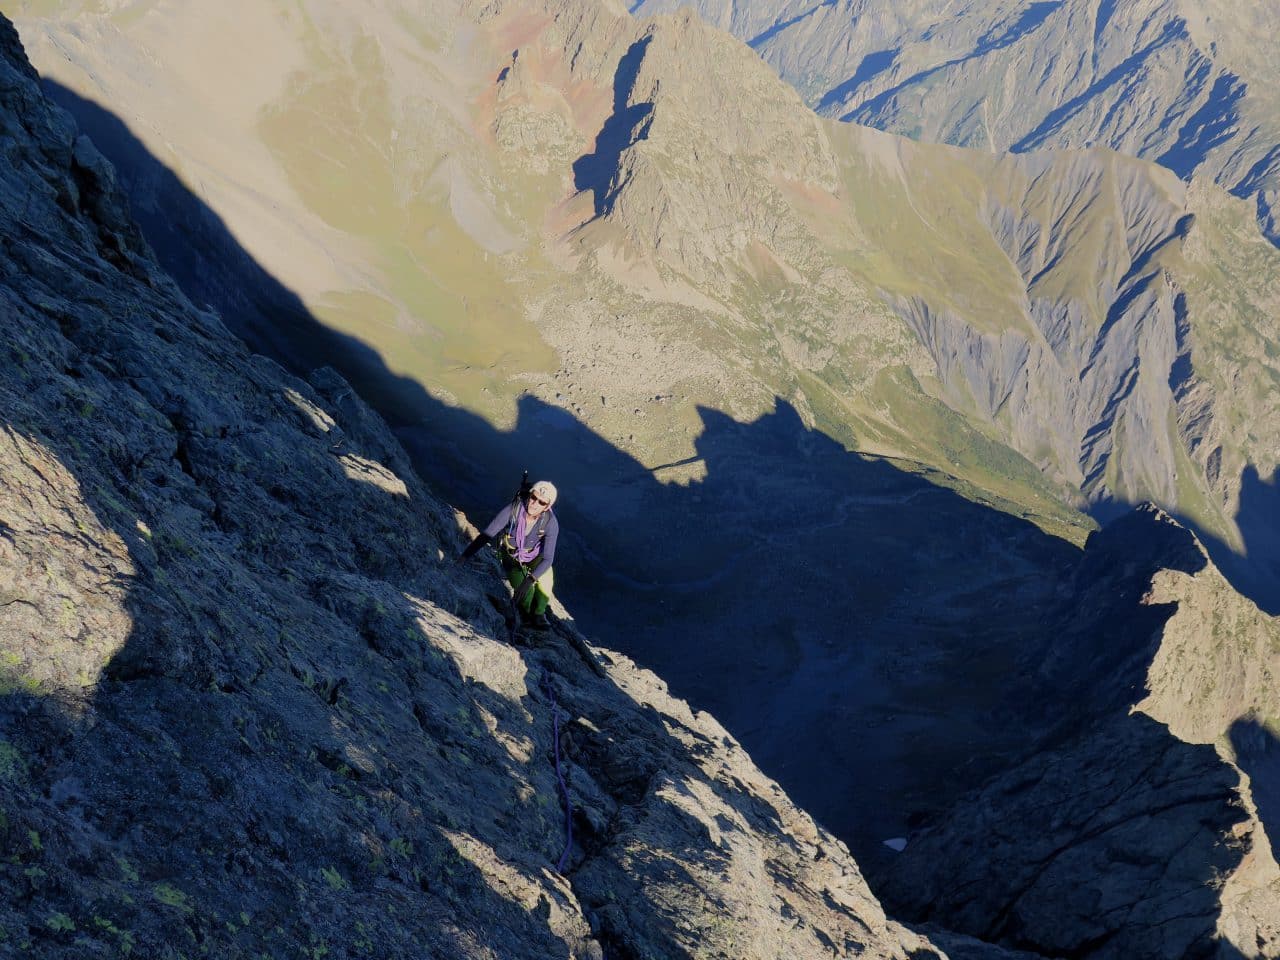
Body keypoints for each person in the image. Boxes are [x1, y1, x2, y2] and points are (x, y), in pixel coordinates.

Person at [458, 479, 559, 628]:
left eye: (541, 502)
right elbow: (487, 534)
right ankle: (526, 612)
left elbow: (548, 558)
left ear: (547, 506)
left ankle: (539, 614)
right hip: (512, 557)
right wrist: (465, 556)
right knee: (526, 595)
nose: (535, 503)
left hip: (533, 556)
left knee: (546, 580)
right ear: (530, 495)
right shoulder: (514, 510)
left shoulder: (550, 523)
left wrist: (529, 580)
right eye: (533, 497)